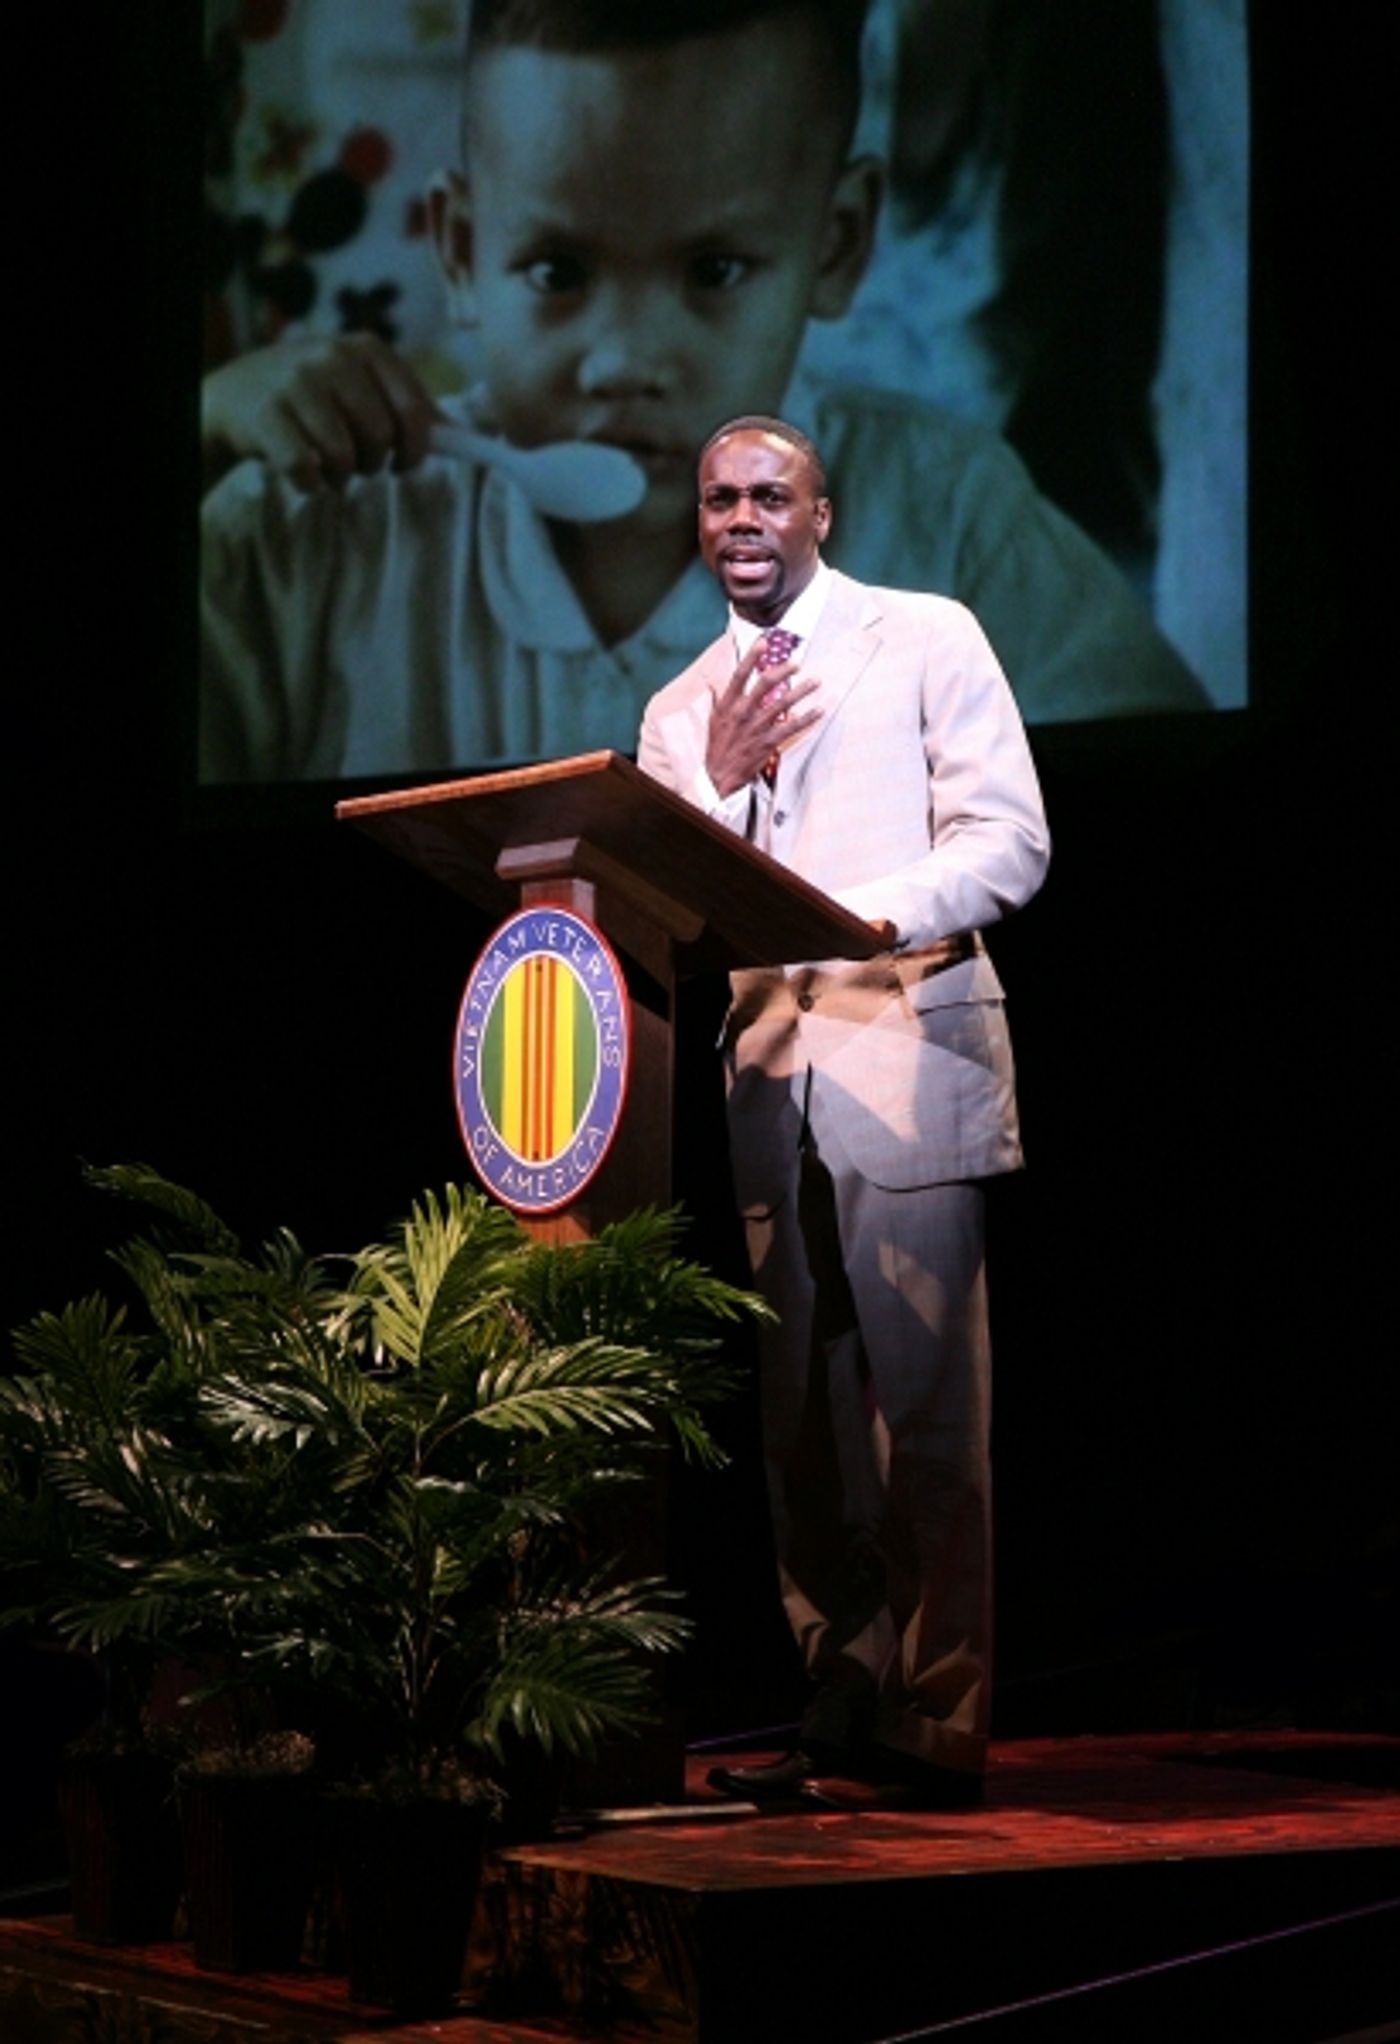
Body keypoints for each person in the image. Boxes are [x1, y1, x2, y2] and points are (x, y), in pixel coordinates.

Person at [199, 0, 1205, 785]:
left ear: (837, 243)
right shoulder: (303, 546)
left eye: (713, 270)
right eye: (557, 270)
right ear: (462, 252)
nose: (627, 358)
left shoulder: (950, 529)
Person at [637, 415, 1049, 1807]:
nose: (741, 519)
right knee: (801, 1419)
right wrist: (731, 784)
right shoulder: (680, 710)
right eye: (718, 501)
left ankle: (939, 1715)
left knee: (928, 1407)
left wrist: (873, 914)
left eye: (769, 496)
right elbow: (668, 899)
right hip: (766, 1074)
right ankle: (843, 1696)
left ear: (823, 512)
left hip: (905, 1044)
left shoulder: (925, 635)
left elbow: (1009, 839)